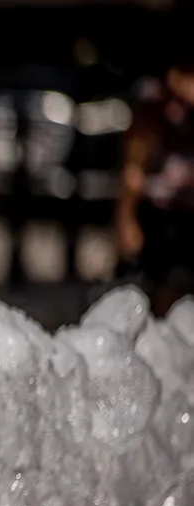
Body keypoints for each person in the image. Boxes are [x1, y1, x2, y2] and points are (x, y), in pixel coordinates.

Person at [116, 50, 194, 316]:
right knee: (156, 287)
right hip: (158, 211)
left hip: (188, 210)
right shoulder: (154, 105)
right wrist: (127, 220)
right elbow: (134, 168)